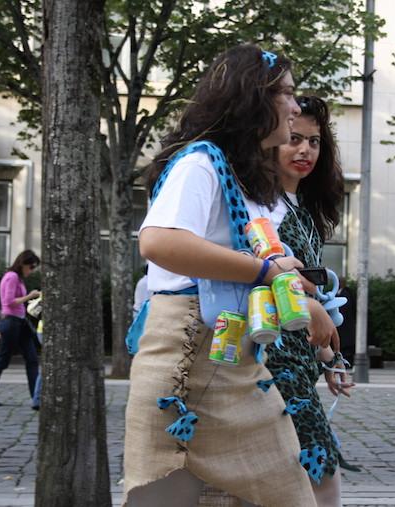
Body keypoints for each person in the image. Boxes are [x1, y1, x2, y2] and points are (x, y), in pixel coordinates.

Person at [124, 44, 331, 507]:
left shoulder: (247, 178)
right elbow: (159, 242)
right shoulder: (201, 162)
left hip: (231, 357)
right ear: (254, 98)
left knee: (281, 487)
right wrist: (264, 270)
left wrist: (300, 292)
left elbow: (246, 263)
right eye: (288, 93)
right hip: (186, 354)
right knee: (166, 495)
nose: (296, 107)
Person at [266, 95, 354, 506]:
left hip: (301, 365)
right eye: (294, 138)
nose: (305, 150)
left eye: (315, 142)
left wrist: (329, 356)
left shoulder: (303, 208)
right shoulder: (262, 207)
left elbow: (313, 290)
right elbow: (262, 273)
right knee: (319, 468)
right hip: (271, 364)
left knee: (304, 473)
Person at [0, 250, 41, 407]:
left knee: (32, 359)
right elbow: (8, 302)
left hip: (20, 322)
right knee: (2, 359)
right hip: (12, 322)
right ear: (23, 264)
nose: (32, 270)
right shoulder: (12, 277)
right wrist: (30, 296)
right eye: (31, 267)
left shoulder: (18, 278)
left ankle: (37, 398)